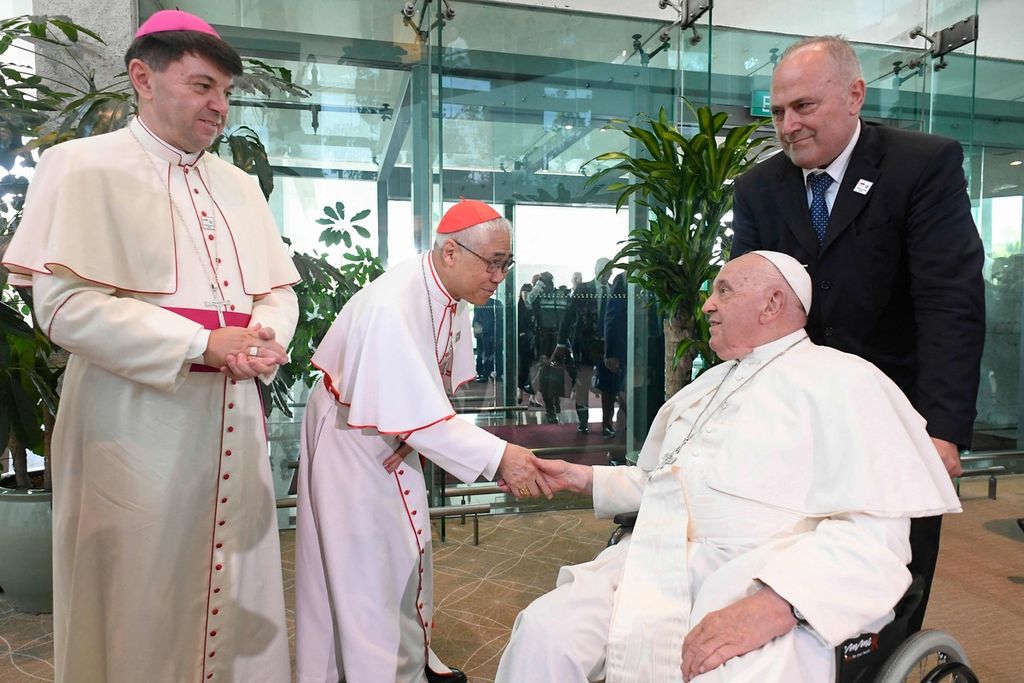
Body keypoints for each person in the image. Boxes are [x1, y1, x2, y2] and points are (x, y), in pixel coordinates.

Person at [495, 251, 961, 683]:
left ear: (773, 303)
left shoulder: (847, 381)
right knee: (545, 632)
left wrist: (779, 604)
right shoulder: (707, 384)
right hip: (655, 559)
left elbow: (874, 535)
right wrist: (582, 477)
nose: (706, 306)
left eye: (724, 291)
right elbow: (668, 483)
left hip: (767, 577)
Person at [1, 10, 299, 683]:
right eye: (201, 86)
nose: (217, 105)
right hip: (133, 429)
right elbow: (65, 308)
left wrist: (264, 336)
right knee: (141, 593)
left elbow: (278, 292)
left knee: (238, 586)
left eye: (224, 91)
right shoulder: (78, 167)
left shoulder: (240, 186)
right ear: (142, 77)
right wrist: (200, 341)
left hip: (230, 421)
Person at [730, 35, 985, 632]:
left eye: (803, 107)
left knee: (890, 575)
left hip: (897, 420)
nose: (787, 125)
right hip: (792, 419)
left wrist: (943, 430)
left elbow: (949, 303)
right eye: (776, 111)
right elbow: (747, 306)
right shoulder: (759, 189)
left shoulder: (922, 166)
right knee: (790, 561)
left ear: (854, 95)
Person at [295, 199, 552, 683]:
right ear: (451, 252)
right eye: (492, 263)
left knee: (406, 561)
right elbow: (408, 403)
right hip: (353, 439)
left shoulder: (446, 291)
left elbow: (424, 390)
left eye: (506, 263)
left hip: (390, 432)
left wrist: (411, 431)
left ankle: (411, 664)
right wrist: (501, 458)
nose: (499, 277)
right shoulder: (394, 304)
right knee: (367, 576)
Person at [556, 258, 612, 433]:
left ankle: (607, 424)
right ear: (595, 270)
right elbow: (568, 316)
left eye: (608, 270)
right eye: (602, 269)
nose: (606, 273)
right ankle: (583, 422)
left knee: (609, 386)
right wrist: (561, 342)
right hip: (584, 347)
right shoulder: (583, 289)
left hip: (607, 348)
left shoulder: (614, 291)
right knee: (582, 385)